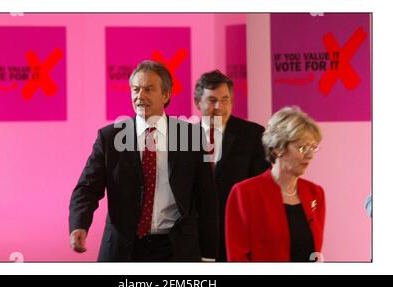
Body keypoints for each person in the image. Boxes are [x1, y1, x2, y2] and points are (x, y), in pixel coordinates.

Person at [69, 60, 217, 261]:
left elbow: (206, 198)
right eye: (136, 89)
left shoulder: (191, 137)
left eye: (149, 89)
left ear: (166, 95)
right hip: (123, 249)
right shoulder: (110, 138)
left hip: (176, 250)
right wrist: (79, 224)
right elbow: (87, 188)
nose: (140, 96)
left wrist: (209, 255)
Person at [225, 106, 325, 262]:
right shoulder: (244, 193)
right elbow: (237, 258)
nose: (310, 155)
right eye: (302, 147)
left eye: (313, 147)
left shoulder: (315, 193)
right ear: (278, 148)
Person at [194, 70, 269, 261]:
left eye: (225, 99)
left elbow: (261, 188)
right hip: (195, 241)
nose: (219, 106)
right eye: (212, 100)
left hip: (238, 236)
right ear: (198, 103)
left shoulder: (252, 135)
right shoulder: (184, 137)